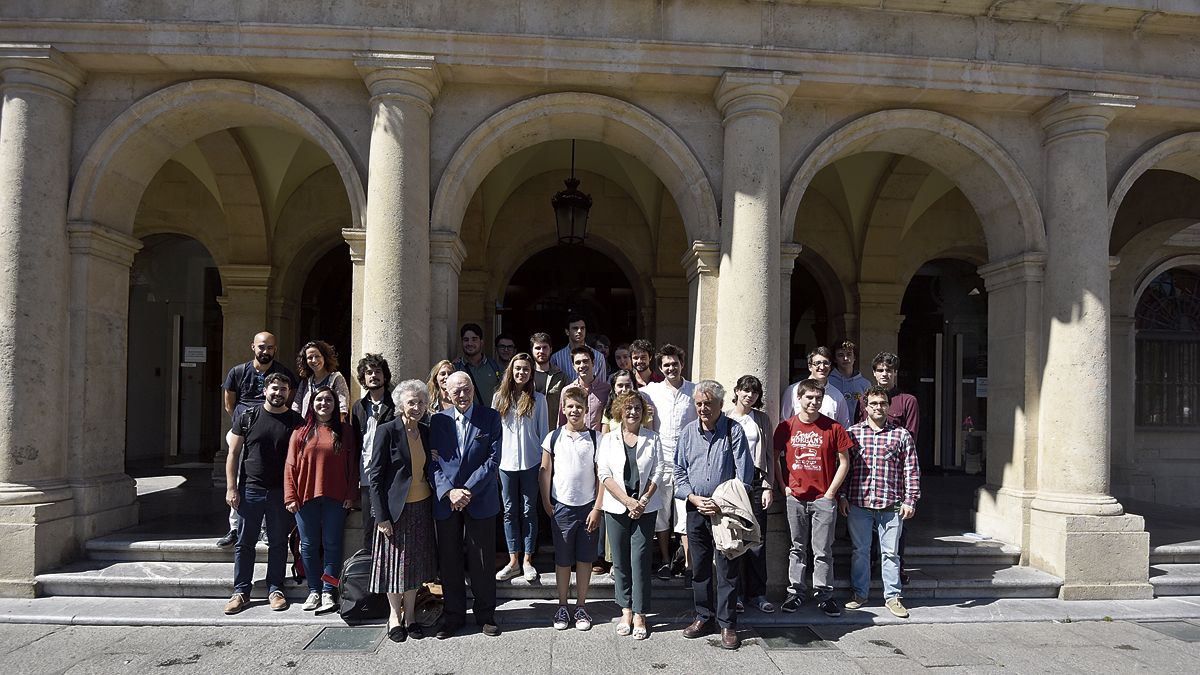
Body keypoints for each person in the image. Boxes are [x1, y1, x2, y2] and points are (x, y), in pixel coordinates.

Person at [674, 380, 752, 650]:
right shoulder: (687, 433)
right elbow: (678, 472)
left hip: (724, 513)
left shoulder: (734, 431)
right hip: (696, 509)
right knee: (700, 569)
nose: (703, 408)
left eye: (708, 403)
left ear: (720, 404)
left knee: (728, 570)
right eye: (699, 403)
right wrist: (694, 498)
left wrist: (721, 502)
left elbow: (745, 475)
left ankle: (728, 624)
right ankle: (703, 617)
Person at [428, 372, 502, 638]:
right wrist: (449, 492)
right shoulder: (436, 421)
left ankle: (486, 615)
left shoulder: (490, 417)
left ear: (473, 389)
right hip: (448, 501)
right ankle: (453, 616)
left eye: (466, 389)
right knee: (449, 561)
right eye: (456, 390)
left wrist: (466, 490)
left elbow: (493, 461)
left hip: (479, 498)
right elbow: (432, 462)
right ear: (446, 393)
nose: (462, 395)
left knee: (482, 561)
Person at [223, 372, 302, 614]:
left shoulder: (295, 421)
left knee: (278, 543)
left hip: (281, 491)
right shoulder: (248, 417)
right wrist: (231, 488)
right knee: (245, 543)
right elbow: (233, 454)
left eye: (283, 389)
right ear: (265, 390)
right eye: (274, 388)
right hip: (251, 489)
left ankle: (275, 589)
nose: (278, 393)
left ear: (289, 393)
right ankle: (241, 591)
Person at [841, 385, 921, 619]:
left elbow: (911, 469)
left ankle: (893, 597)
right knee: (860, 551)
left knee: (890, 553)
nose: (878, 407)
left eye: (883, 403)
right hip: (859, 503)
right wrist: (843, 495)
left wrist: (911, 500)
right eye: (874, 403)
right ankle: (859, 594)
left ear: (889, 406)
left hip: (891, 504)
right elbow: (845, 468)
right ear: (865, 407)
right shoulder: (853, 433)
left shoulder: (901, 434)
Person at [773, 379, 851, 618]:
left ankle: (824, 595)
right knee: (797, 548)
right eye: (809, 397)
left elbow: (844, 462)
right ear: (799, 398)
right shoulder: (786, 427)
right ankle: (795, 592)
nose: (814, 402)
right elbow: (775, 457)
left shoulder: (833, 428)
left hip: (823, 499)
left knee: (823, 550)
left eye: (818, 398)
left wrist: (831, 494)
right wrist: (784, 486)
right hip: (795, 497)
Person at [368, 379, 438, 643]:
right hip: (395, 511)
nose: (417, 407)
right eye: (411, 402)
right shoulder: (387, 430)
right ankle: (393, 616)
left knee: (414, 567)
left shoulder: (426, 431)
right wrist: (381, 516)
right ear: (400, 405)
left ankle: (410, 616)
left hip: (422, 506)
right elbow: (375, 477)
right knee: (394, 566)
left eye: (421, 402)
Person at [217, 331, 296, 548]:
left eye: (270, 347)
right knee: (241, 474)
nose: (265, 351)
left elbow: (289, 401)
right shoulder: (238, 372)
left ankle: (265, 528)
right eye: (262, 347)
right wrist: (243, 425)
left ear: (275, 349)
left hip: (272, 431)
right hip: (243, 431)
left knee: (268, 476)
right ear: (253, 347)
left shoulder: (283, 373)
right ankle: (235, 528)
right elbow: (229, 404)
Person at [597, 390, 665, 640]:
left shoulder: (652, 438)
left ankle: (640, 613)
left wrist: (643, 500)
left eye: (637, 407)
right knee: (621, 561)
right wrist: (626, 501)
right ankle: (625, 610)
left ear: (643, 412)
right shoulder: (609, 439)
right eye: (628, 408)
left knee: (641, 559)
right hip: (616, 507)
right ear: (620, 412)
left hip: (645, 507)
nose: (633, 412)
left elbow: (659, 471)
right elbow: (603, 472)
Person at [285, 385, 357, 614]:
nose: (324, 404)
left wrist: (350, 495)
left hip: (336, 497)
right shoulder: (300, 432)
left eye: (328, 400)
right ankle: (314, 589)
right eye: (319, 400)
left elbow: (353, 465)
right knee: (308, 545)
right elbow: (290, 466)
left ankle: (328, 590)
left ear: (335, 405)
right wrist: (290, 495)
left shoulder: (345, 431)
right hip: (306, 497)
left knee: (333, 545)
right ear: (312, 404)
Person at [540, 386, 604, 631]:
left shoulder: (597, 438)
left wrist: (597, 508)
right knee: (563, 560)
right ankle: (563, 605)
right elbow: (545, 473)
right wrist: (546, 502)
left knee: (585, 559)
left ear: (586, 410)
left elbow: (602, 476)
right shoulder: (553, 437)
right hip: (562, 508)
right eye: (570, 406)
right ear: (563, 410)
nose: (574, 410)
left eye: (579, 406)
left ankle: (581, 606)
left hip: (588, 507)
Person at [855, 351, 920, 583]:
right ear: (874, 372)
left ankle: (897, 569)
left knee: (896, 527)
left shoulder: (908, 401)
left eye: (889, 370)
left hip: (896, 474)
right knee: (867, 528)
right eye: (881, 370)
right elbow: (858, 433)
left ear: (895, 373)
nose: (885, 374)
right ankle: (871, 566)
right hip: (868, 474)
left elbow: (910, 438)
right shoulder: (865, 398)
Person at [640, 343, 695, 579]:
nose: (671, 368)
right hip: (661, 459)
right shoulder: (651, 391)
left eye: (675, 363)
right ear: (660, 368)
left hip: (687, 462)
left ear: (682, 364)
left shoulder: (695, 390)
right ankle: (664, 560)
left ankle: (689, 565)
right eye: (666, 365)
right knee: (661, 512)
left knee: (685, 514)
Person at [493, 352, 549, 584]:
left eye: (526, 369)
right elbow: (495, 434)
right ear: (510, 371)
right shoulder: (499, 398)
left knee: (528, 510)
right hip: (506, 463)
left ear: (531, 373)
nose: (521, 373)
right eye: (517, 369)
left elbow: (544, 434)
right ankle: (512, 560)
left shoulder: (538, 399)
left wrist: (544, 466)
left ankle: (527, 559)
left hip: (531, 462)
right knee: (509, 511)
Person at [725, 374, 776, 614]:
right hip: (731, 482)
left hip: (756, 481)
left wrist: (768, 486)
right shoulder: (725, 418)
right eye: (745, 390)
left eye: (754, 392)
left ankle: (757, 593)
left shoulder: (762, 419)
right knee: (734, 537)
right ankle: (734, 594)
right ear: (736, 391)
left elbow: (769, 456)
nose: (749, 395)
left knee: (757, 539)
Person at [351, 353, 395, 552]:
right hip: (366, 475)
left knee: (392, 526)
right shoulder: (358, 407)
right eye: (368, 372)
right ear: (363, 378)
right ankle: (368, 575)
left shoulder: (396, 404)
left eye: (378, 372)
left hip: (390, 475)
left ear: (385, 376)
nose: (373, 376)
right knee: (369, 527)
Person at [780, 347, 850, 426]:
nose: (822, 367)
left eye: (826, 363)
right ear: (810, 366)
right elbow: (784, 423)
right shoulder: (793, 391)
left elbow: (844, 427)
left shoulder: (837, 396)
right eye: (817, 363)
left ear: (830, 366)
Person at [292, 340, 350, 421]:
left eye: (317, 356)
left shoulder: (336, 378)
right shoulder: (305, 382)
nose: (314, 360)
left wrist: (334, 429)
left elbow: (342, 407)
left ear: (324, 357)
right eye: (310, 357)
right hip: (309, 428)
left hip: (330, 427)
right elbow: (296, 407)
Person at [558, 346, 610, 432]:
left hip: (598, 442)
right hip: (574, 440)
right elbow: (562, 422)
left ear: (593, 363)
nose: (582, 365)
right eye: (578, 362)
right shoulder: (567, 391)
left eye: (585, 361)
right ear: (573, 366)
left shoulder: (606, 390)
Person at [453, 323, 503, 409]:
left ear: (481, 342)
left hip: (490, 419)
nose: (470, 343)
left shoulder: (495, 367)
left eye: (474, 339)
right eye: (466, 340)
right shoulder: (455, 368)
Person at [551, 314, 608, 382]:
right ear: (567, 332)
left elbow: (602, 387)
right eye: (575, 328)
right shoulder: (556, 358)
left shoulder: (598, 357)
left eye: (582, 328)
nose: (579, 331)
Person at [530, 332, 568, 431]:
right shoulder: (525, 376)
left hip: (552, 429)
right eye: (537, 348)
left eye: (545, 347)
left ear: (550, 349)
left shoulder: (561, 377)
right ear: (532, 350)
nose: (541, 351)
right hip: (529, 430)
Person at [830, 339, 871, 412]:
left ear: (854, 357)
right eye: (840, 355)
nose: (845, 358)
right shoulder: (828, 382)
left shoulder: (865, 384)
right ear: (835, 359)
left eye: (849, 354)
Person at [601, 369, 639, 433]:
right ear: (614, 388)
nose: (624, 389)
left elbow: (649, 433)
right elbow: (604, 436)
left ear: (633, 387)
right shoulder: (608, 409)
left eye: (627, 385)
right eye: (620, 386)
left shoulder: (642, 408)